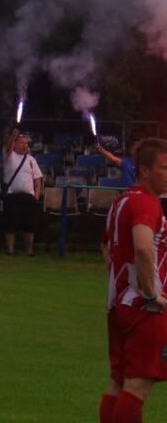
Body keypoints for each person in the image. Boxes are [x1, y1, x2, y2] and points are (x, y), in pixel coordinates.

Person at [98, 138, 167, 423]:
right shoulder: (147, 203)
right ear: (145, 171)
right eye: (165, 167)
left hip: (119, 305)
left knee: (119, 382)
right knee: (138, 385)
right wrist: (150, 293)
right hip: (144, 308)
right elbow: (142, 246)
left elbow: (105, 246)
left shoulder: (122, 200)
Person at [2, 127, 44, 256]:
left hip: (29, 197)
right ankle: (10, 250)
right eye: (22, 143)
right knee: (10, 224)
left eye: (26, 143)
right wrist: (13, 136)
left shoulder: (31, 160)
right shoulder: (10, 156)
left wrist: (36, 197)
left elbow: (37, 181)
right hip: (12, 195)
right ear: (15, 144)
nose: (25, 145)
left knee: (30, 225)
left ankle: (29, 250)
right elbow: (7, 148)